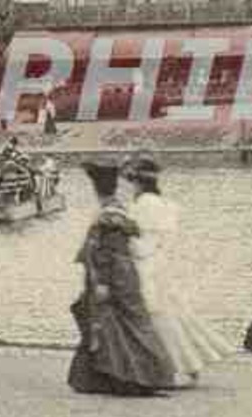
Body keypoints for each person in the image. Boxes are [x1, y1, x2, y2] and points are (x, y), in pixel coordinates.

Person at [67, 159, 176, 396]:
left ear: (97, 191)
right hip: (124, 276)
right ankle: (120, 375)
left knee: (112, 325)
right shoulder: (120, 212)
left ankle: (129, 376)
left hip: (111, 279)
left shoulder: (108, 217)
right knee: (127, 325)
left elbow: (107, 252)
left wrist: (103, 283)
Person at [124, 152, 231, 385]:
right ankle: (189, 364)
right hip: (165, 264)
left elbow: (141, 243)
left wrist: (125, 246)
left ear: (138, 182)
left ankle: (166, 368)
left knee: (155, 317)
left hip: (147, 265)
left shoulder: (142, 206)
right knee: (174, 314)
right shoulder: (166, 205)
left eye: (132, 183)